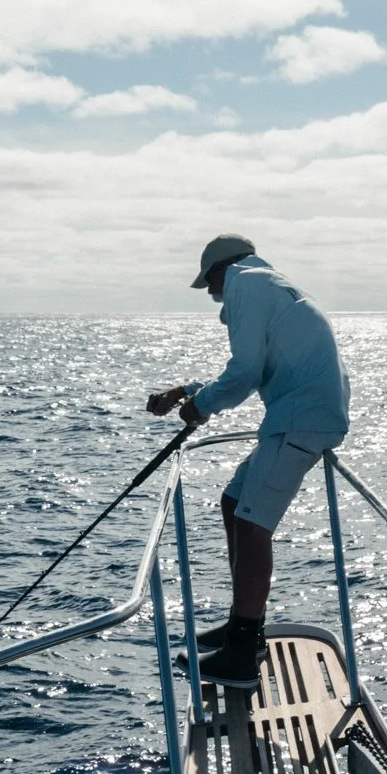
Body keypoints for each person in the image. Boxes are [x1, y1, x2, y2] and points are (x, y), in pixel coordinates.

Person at [147, 234, 350, 689]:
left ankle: (241, 655)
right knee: (233, 500)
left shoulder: (244, 285)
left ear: (222, 269)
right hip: (296, 415)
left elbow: (244, 374)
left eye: (210, 285)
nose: (213, 296)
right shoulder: (264, 283)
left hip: (301, 421)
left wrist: (200, 407)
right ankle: (246, 629)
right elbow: (256, 366)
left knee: (254, 524)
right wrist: (187, 392)